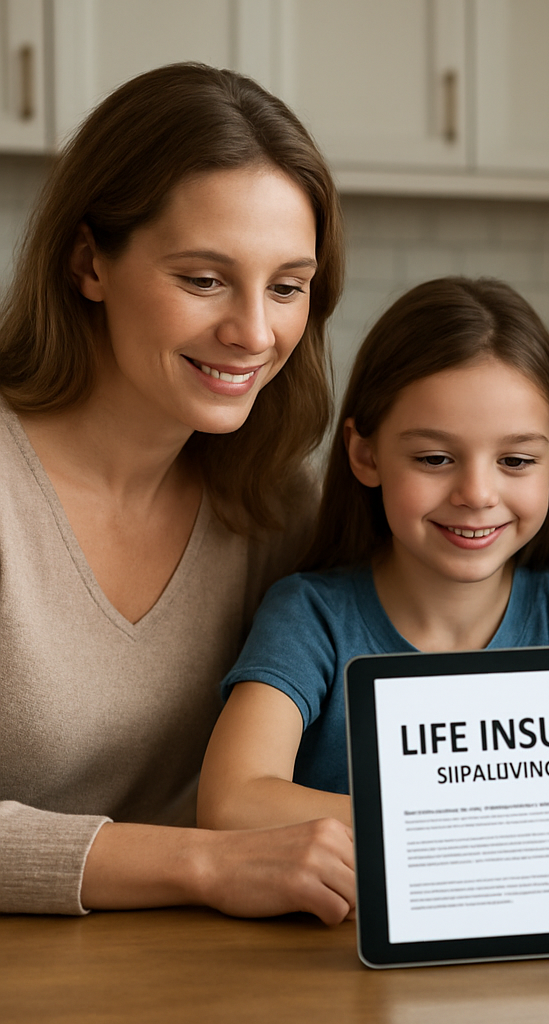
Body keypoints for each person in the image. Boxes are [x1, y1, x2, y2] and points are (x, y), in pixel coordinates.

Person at [0, 62, 356, 923]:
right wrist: (204, 863)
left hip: (204, 975)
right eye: (203, 279)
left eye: (287, 287)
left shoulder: (275, 503)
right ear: (89, 262)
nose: (254, 333)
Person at [196, 276, 549, 830]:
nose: (477, 494)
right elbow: (231, 803)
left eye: (516, 461)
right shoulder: (311, 618)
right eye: (435, 459)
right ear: (365, 454)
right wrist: (471, 825)